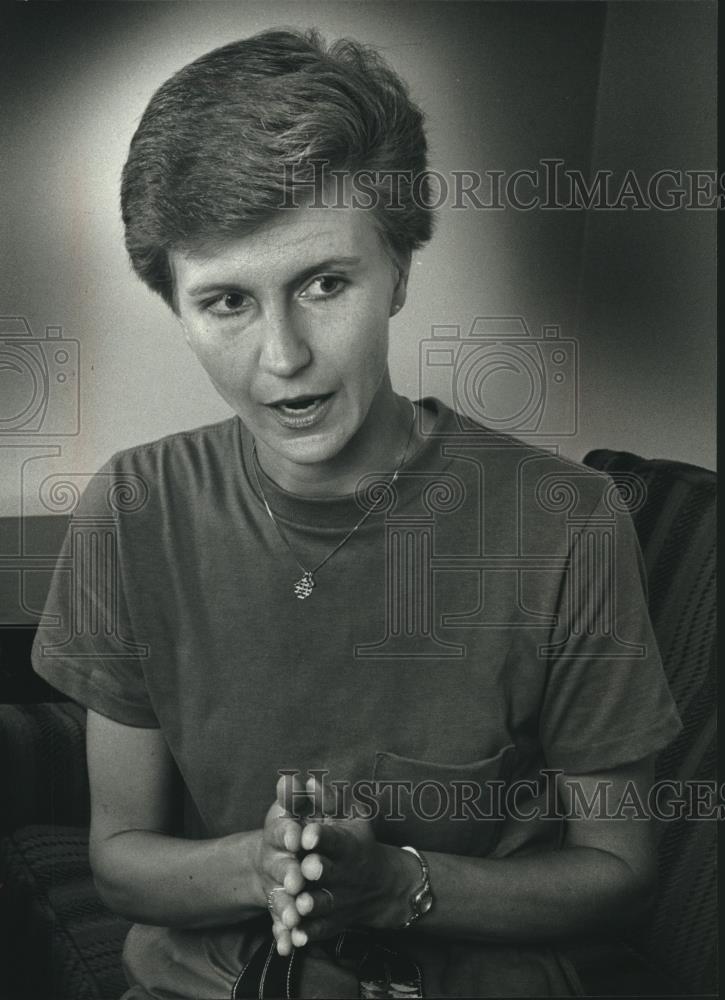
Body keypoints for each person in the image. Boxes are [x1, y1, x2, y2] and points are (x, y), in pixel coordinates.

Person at [32, 28, 682, 999]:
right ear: (175, 307)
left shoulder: (568, 523)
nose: (283, 355)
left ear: (399, 273)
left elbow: (620, 870)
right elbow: (121, 853)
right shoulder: (130, 510)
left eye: (323, 283)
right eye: (225, 303)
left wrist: (390, 885)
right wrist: (260, 866)